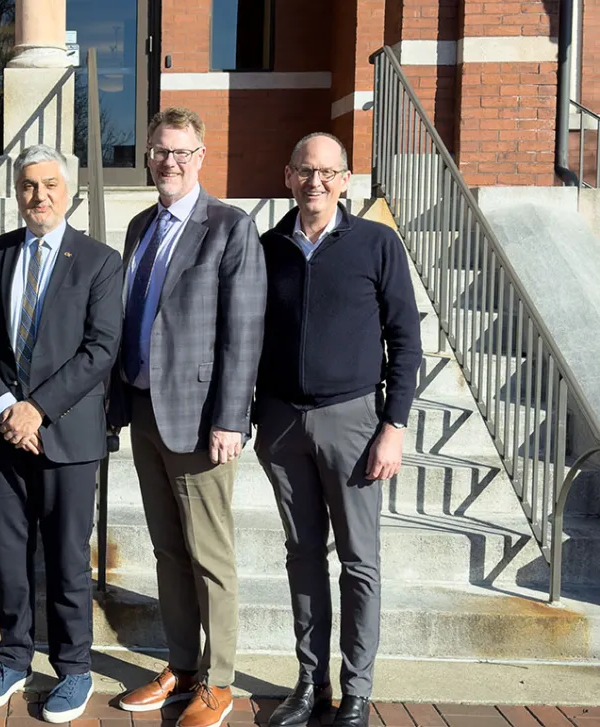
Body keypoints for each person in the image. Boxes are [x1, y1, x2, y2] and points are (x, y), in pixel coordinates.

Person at [254, 133, 421, 727]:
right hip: (280, 424)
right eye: (305, 171)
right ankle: (309, 683)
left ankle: (356, 690)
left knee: (358, 561)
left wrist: (393, 425)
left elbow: (405, 341)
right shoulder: (268, 246)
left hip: (353, 423)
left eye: (327, 172)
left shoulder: (376, 244)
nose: (315, 182)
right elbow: (248, 334)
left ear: (346, 179)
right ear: (288, 175)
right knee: (302, 557)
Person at [107, 107, 267, 727]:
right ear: (147, 156)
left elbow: (243, 334)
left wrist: (231, 418)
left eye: (180, 152)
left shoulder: (229, 227)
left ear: (201, 157)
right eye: (158, 151)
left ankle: (219, 682)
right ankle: (182, 665)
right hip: (145, 410)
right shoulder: (139, 226)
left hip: (201, 420)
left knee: (210, 555)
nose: (168, 162)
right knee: (168, 550)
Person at [0, 144, 123, 723]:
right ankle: (12, 658)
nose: (39, 196)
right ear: (17, 191)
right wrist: (8, 405)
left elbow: (101, 348)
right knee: (9, 556)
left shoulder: (99, 261)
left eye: (50, 185)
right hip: (5, 433)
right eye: (29, 185)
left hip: (68, 437)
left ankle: (74, 668)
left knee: (66, 558)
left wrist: (39, 410)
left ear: (69, 190)